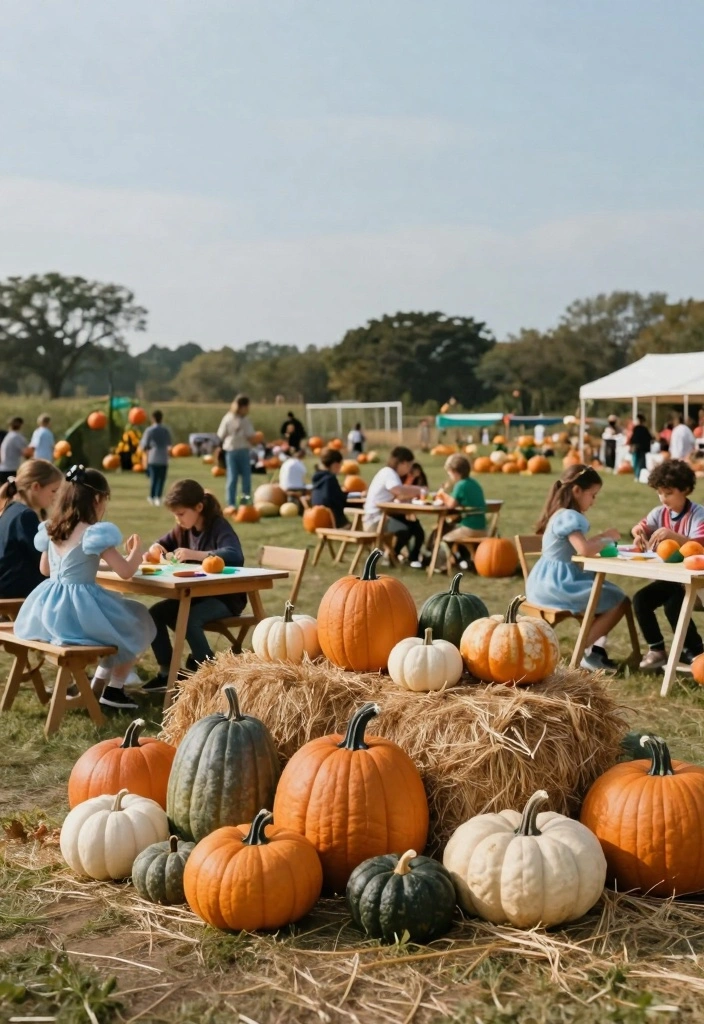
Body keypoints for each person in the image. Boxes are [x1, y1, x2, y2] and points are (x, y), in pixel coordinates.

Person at [13, 465, 155, 710]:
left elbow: (45, 570)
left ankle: (97, 687)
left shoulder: (52, 528)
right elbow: (126, 571)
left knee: (119, 625)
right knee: (137, 620)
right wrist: (136, 553)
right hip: (79, 613)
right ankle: (115, 689)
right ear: (97, 499)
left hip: (50, 611)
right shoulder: (93, 533)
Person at [144, 479, 246, 691]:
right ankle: (167, 673)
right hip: (197, 595)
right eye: (175, 514)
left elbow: (235, 555)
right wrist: (155, 549)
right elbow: (162, 543)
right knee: (155, 614)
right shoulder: (183, 529)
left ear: (198, 507)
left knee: (189, 619)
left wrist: (195, 555)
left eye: (181, 514)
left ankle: (210, 675)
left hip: (226, 597)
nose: (177, 519)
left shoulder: (218, 526)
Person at [527, 464, 629, 672]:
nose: (594, 501)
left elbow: (580, 545)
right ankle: (581, 650)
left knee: (604, 594)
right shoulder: (569, 516)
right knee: (619, 600)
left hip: (542, 583)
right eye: (592, 495)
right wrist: (607, 539)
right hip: (559, 585)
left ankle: (594, 652)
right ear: (577, 491)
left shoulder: (560, 514)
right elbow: (584, 549)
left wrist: (600, 537)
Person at [631, 460, 704, 671]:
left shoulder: (698, 515)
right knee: (641, 600)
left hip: (695, 582)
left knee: (674, 605)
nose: (663, 498)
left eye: (669, 493)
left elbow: (699, 544)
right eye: (660, 492)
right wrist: (638, 534)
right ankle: (657, 650)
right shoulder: (659, 513)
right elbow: (641, 526)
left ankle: (695, 651)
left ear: (686, 489)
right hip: (671, 579)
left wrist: (674, 536)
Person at [0, 459, 63, 599]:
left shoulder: (11, 510)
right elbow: (45, 559)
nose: (56, 496)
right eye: (53, 491)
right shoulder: (24, 516)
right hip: (17, 593)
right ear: (36, 487)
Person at [363, 446, 426, 566]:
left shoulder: (387, 473)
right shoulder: (389, 473)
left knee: (414, 526)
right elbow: (397, 490)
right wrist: (419, 490)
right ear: (403, 463)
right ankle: (392, 555)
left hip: (380, 516)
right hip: (375, 520)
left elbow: (395, 495)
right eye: (409, 466)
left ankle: (403, 556)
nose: (409, 470)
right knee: (407, 529)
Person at [435, 455, 487, 556]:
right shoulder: (474, 483)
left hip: (469, 528)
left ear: (454, 472)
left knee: (445, 538)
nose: (449, 476)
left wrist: (442, 495)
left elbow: (451, 505)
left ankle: (443, 564)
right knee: (453, 527)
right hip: (482, 527)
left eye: (449, 473)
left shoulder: (460, 485)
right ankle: (465, 559)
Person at [217, 394, 257, 507]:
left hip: (244, 450)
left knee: (246, 479)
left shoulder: (246, 420)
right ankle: (231, 503)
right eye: (247, 406)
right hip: (231, 451)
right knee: (232, 477)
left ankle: (245, 502)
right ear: (242, 407)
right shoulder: (228, 418)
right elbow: (221, 434)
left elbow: (251, 435)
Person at [138, 410, 172, 507]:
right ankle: (158, 496)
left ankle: (152, 496)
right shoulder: (165, 430)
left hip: (153, 456)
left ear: (153, 418)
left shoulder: (149, 430)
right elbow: (169, 444)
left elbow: (144, 445)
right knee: (161, 479)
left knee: (154, 478)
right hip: (163, 457)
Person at [311, 448, 348, 528]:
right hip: (335, 523)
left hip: (319, 522)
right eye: (340, 464)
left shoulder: (318, 479)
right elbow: (340, 500)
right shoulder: (330, 479)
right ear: (335, 464)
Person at [0, 418, 31, 485]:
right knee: (13, 494)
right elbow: (26, 453)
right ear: (21, 425)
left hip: (2, 469)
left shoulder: (8, 436)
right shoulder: (17, 437)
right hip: (10, 471)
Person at [627, 414, 652, 480]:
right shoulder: (644, 429)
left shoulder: (637, 428)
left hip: (637, 448)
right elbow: (649, 438)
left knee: (636, 462)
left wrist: (631, 445)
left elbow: (633, 439)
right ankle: (638, 476)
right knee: (640, 463)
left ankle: (637, 476)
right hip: (642, 448)